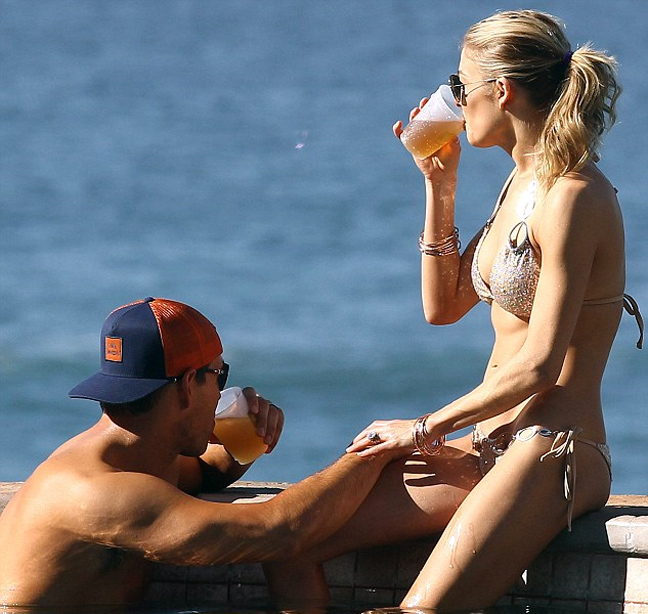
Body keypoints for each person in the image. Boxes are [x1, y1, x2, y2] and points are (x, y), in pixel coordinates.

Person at [264, 10, 644, 612]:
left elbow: (539, 368)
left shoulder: (575, 196)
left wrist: (422, 429)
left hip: (553, 450)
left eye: (460, 84)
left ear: (502, 90)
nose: (455, 99)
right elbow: (442, 307)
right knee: (290, 548)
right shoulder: (519, 183)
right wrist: (439, 186)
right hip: (485, 446)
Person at [0, 297, 405, 608]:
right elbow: (276, 532)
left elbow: (203, 473)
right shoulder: (97, 491)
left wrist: (246, 440)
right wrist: (372, 449)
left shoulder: (131, 460)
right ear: (188, 384)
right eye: (219, 375)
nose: (222, 391)